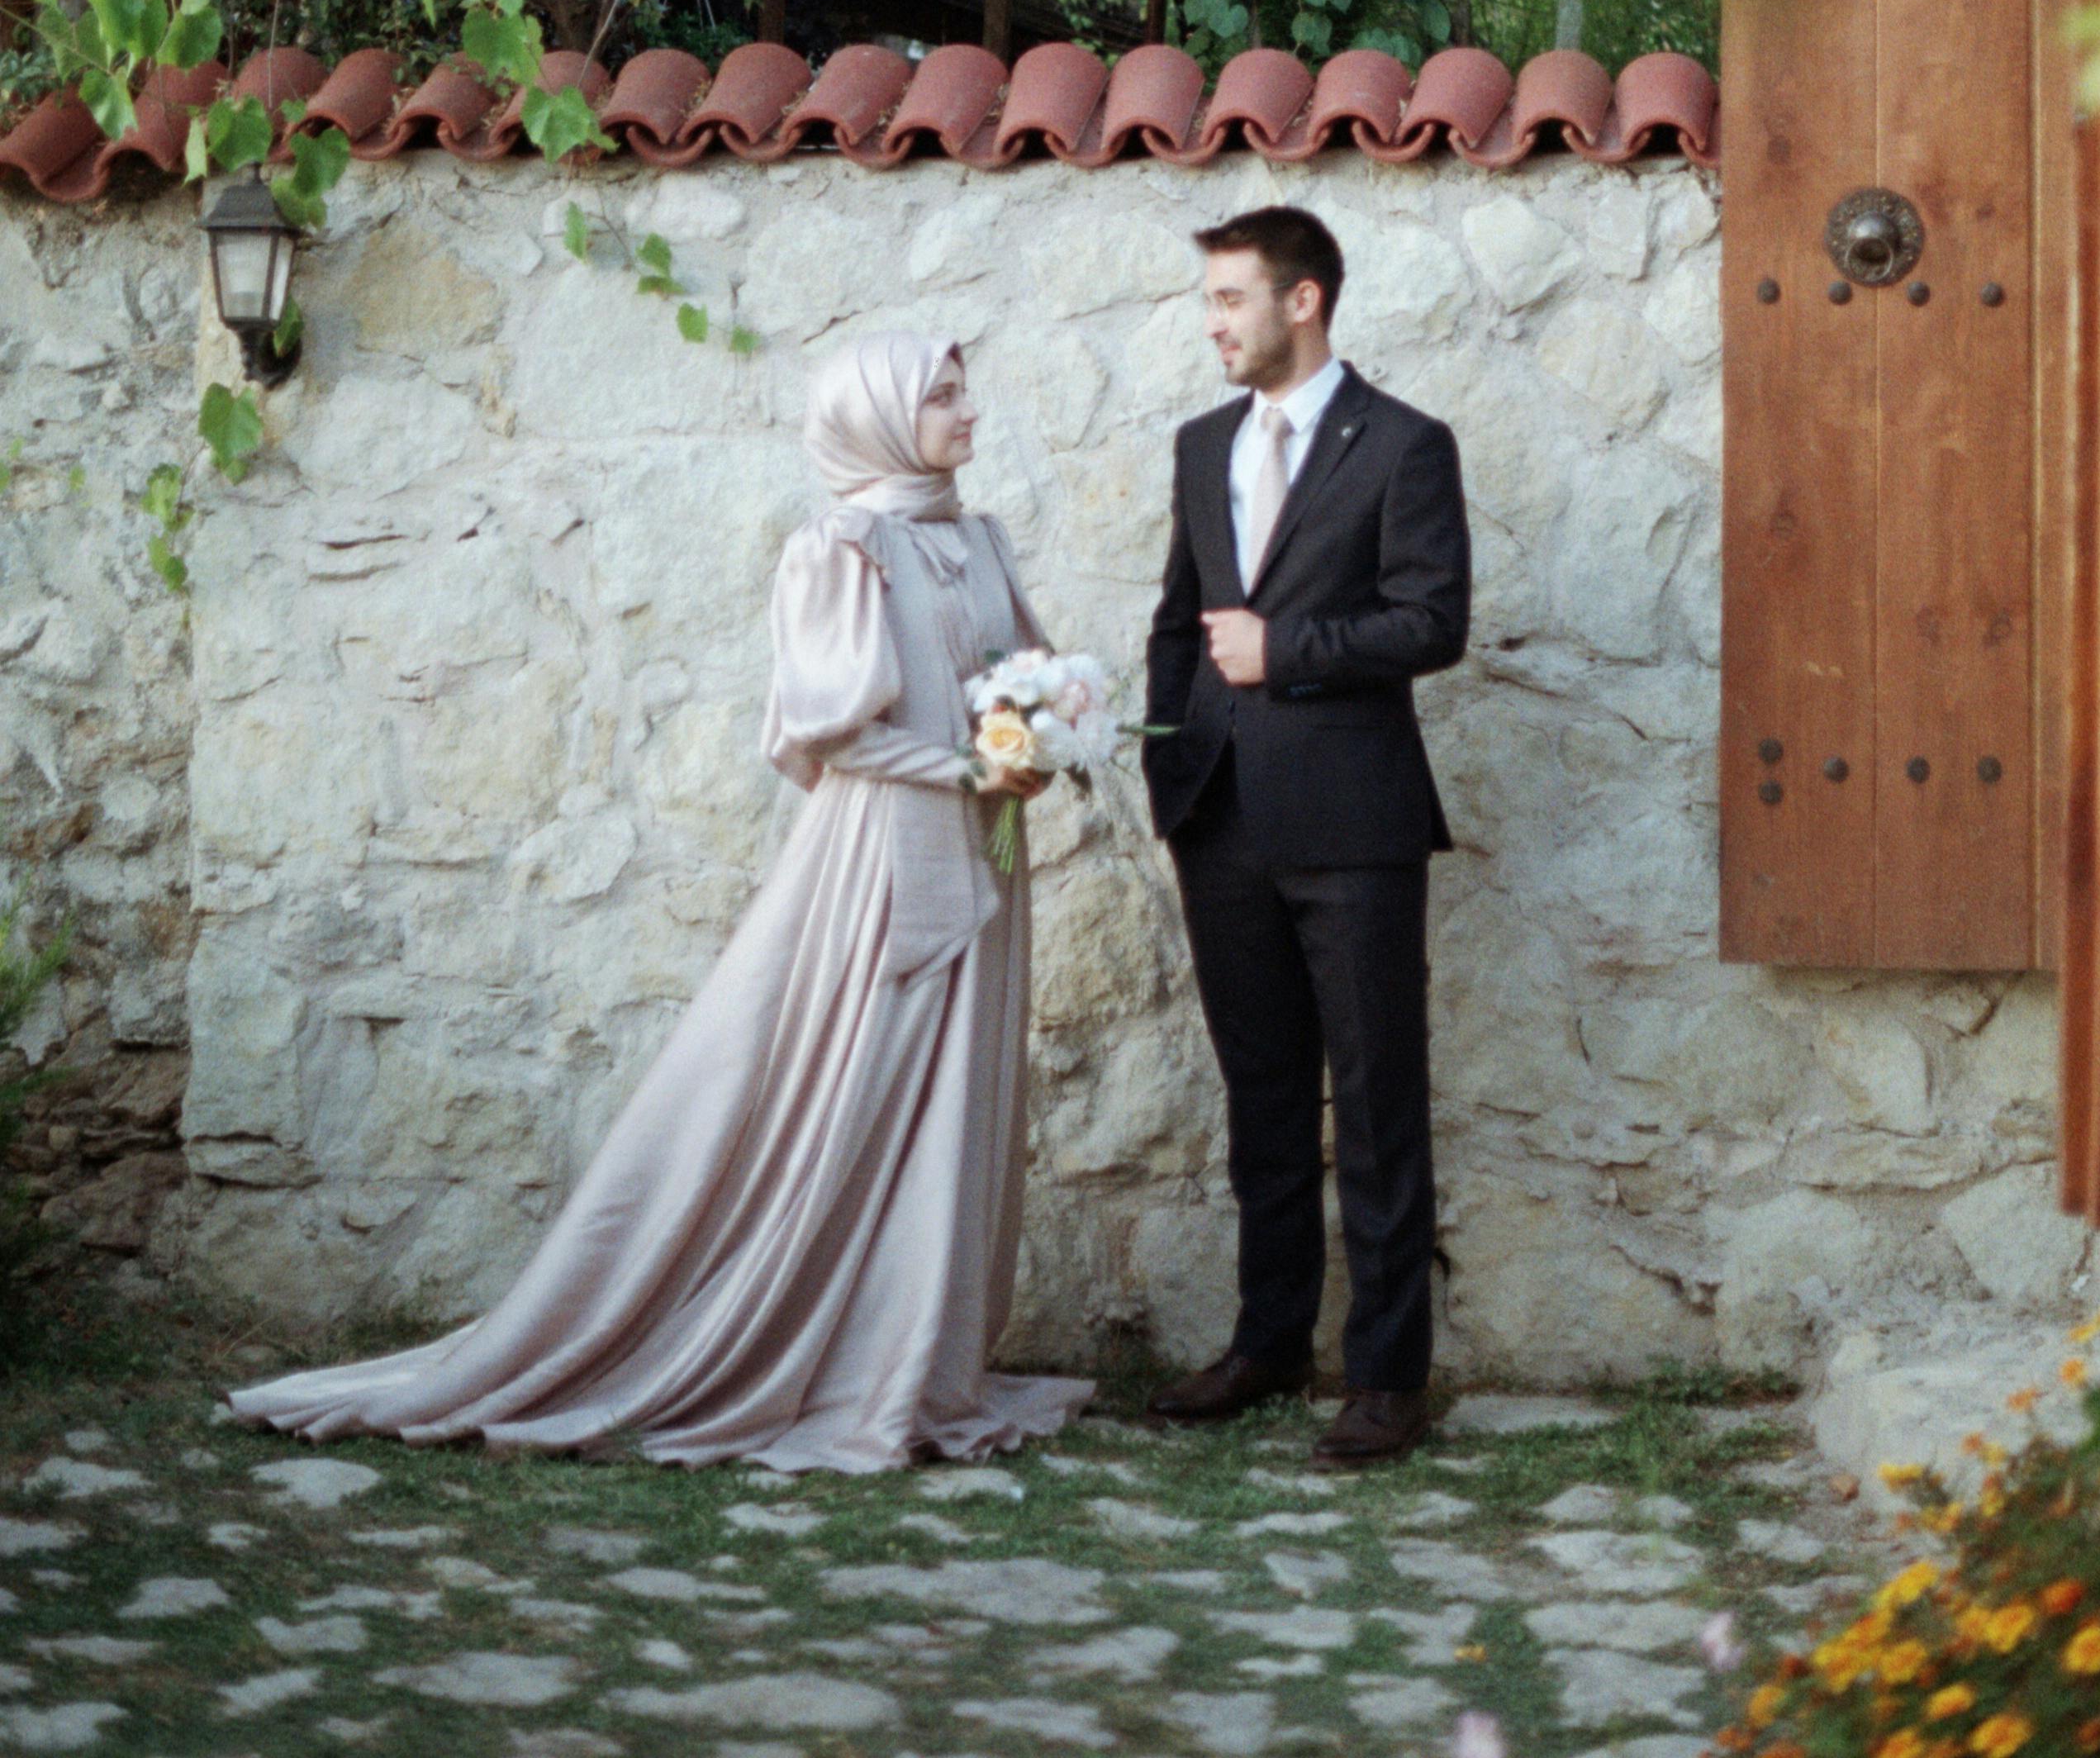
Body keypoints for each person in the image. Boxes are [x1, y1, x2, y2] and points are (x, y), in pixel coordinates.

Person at [230, 332, 1091, 1472]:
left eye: (961, 391)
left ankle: (923, 1357)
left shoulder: (977, 539)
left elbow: (1014, 683)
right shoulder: (840, 549)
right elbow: (833, 729)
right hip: (885, 854)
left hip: (985, 845)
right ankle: (811, 1343)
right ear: (880, 417)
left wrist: (1040, 742)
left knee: (958, 1087)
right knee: (856, 1077)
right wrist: (970, 769)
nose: (966, 412)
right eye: (941, 396)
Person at [1142, 205, 1470, 1469]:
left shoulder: (1403, 446)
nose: (1214, 324)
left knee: (1380, 1102)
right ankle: (1266, 1344)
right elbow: (1181, 621)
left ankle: (1387, 1378)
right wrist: (1173, 769)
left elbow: (1433, 621)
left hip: (1356, 822)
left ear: (1305, 301)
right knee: (1262, 1099)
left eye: (1231, 299)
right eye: (1210, 301)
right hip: (1220, 817)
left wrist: (1292, 654)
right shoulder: (1200, 446)